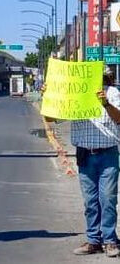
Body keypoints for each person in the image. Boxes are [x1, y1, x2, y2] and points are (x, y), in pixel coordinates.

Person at [48, 68, 120, 257]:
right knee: (90, 201)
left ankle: (110, 240)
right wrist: (49, 97)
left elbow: (119, 118)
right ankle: (93, 240)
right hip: (85, 155)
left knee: (108, 199)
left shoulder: (112, 93)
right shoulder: (75, 96)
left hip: (108, 154)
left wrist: (105, 103)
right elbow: (51, 118)